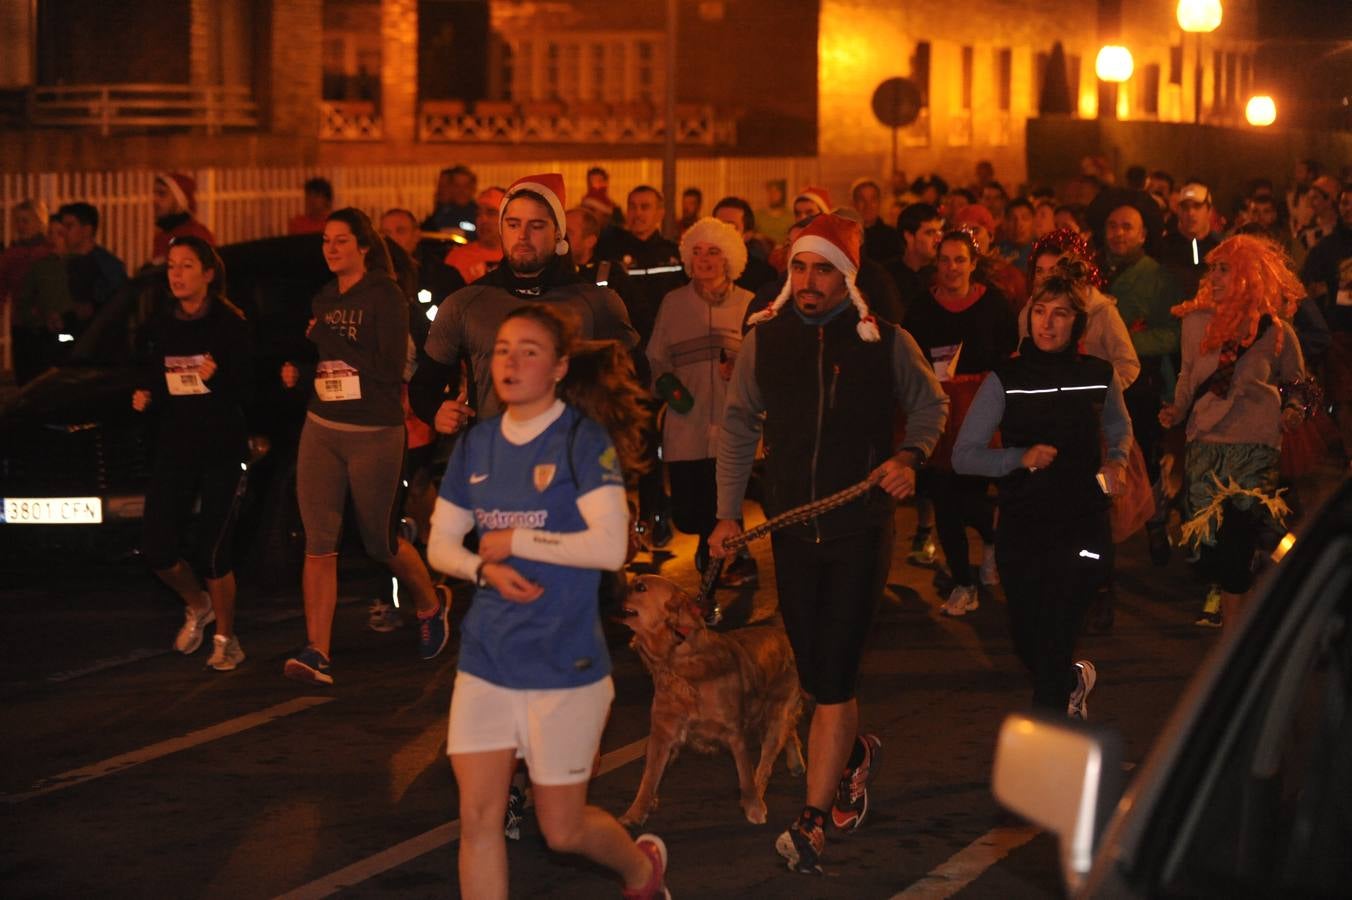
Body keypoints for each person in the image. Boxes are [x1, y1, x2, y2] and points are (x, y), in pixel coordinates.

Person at [711, 213, 948, 875]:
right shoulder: (765, 341)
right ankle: (852, 757)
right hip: (791, 529)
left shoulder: (887, 341)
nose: (809, 281)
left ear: (846, 275)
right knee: (816, 680)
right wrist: (727, 516)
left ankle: (812, 821)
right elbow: (736, 428)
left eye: (823, 268)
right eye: (798, 267)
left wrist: (909, 455)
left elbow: (932, 406)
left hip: (859, 529)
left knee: (835, 678)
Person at [425, 304, 669, 900]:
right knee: (479, 821)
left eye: (528, 350)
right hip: (487, 660)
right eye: (502, 348)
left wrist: (518, 540)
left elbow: (612, 548)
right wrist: (482, 564)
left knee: (560, 830)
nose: (510, 361)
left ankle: (641, 871)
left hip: (565, 665)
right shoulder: (477, 445)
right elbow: (439, 545)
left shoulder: (583, 444)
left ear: (560, 366)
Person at [952, 259, 1133, 718]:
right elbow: (964, 455)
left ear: (1078, 323)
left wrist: (1118, 461)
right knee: (1028, 638)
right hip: (1022, 522)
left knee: (1059, 629)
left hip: (1083, 523)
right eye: (1039, 311)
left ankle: (1047, 749)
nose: (1047, 323)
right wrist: (1019, 458)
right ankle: (1070, 680)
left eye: (1059, 314)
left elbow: (1119, 428)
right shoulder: (1004, 379)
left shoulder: (1098, 374)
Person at [280, 208, 451, 685]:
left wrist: (330, 336)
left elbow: (386, 370)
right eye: (326, 242)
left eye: (341, 241)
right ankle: (318, 652)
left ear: (363, 247)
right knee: (319, 542)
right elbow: (334, 366)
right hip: (322, 426)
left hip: (374, 433)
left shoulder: (386, 297)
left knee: (379, 540)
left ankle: (430, 604)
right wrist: (301, 372)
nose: (331, 250)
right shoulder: (324, 298)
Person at [1160, 235, 1307, 632]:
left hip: (1255, 443)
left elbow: (1298, 383)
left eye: (1226, 269)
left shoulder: (1275, 331)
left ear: (1250, 275)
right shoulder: (1194, 323)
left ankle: (1233, 635)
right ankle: (1258, 560)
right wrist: (1175, 409)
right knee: (1202, 546)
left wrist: (1294, 409)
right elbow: (1189, 375)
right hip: (1205, 442)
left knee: (1235, 541)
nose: (1216, 277)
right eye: (1214, 269)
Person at [131, 236, 252, 670]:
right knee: (156, 547)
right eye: (171, 267)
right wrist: (145, 396)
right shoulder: (161, 325)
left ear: (207, 273)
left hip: (221, 448)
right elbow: (153, 377)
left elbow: (250, 390)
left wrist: (219, 377)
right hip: (176, 446)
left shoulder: (230, 324)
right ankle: (197, 603)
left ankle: (226, 638)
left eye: (186, 266)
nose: (177, 275)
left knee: (214, 550)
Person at [903, 229, 1018, 615]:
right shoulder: (920, 307)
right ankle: (963, 583)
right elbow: (909, 357)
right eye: (945, 260)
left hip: (982, 409)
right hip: (936, 410)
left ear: (973, 263)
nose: (952, 268)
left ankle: (992, 541)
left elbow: (1009, 355)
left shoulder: (994, 304)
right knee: (944, 499)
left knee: (970, 497)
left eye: (960, 260)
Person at [645, 216, 755, 577]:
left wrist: (738, 370)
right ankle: (713, 549)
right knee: (689, 513)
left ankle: (716, 566)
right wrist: (671, 391)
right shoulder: (673, 303)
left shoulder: (748, 304)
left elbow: (762, 361)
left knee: (723, 503)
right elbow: (656, 357)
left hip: (732, 424)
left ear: (730, 259)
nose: (705, 259)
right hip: (686, 422)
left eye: (713, 252)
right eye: (698, 252)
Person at [1100, 197, 1181, 563]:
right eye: (1112, 226)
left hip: (1141, 383)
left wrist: (1125, 342)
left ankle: (1155, 523)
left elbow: (1172, 334)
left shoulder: (1158, 277)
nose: (1118, 233)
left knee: (1145, 456)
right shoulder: (1094, 271)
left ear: (1144, 234)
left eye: (1127, 226)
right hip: (1100, 384)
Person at [1300, 182, 1352, 466]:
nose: (1349, 208)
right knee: (1343, 394)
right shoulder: (1328, 247)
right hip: (1340, 329)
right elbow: (1306, 281)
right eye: (1345, 202)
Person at [58, 202, 128, 316]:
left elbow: (118, 305)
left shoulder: (107, 266)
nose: (63, 232)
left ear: (87, 230)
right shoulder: (62, 263)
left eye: (69, 226)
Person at [886, 201, 943, 318]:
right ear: (909, 236)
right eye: (930, 233)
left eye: (939, 232)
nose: (938, 239)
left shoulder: (944, 274)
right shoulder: (886, 276)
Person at [711, 196, 777, 293]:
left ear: (747, 235)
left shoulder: (764, 276)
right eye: (717, 226)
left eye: (731, 226)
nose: (722, 232)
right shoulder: (700, 267)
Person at [445, 187, 507, 286]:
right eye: (478, 213)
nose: (482, 219)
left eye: (491, 213)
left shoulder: (519, 257)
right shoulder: (457, 257)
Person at [150, 172, 215, 265]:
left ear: (179, 200)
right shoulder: (163, 235)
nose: (154, 200)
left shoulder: (195, 236)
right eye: (154, 194)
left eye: (162, 194)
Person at [852, 178, 902, 264]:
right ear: (854, 204)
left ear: (879, 202)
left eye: (873, 200)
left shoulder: (893, 237)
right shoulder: (846, 237)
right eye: (862, 200)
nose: (868, 205)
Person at [422, 165, 479, 236]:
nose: (461, 191)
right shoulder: (441, 213)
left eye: (466, 186)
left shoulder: (479, 214)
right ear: (451, 188)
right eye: (457, 186)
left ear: (473, 188)